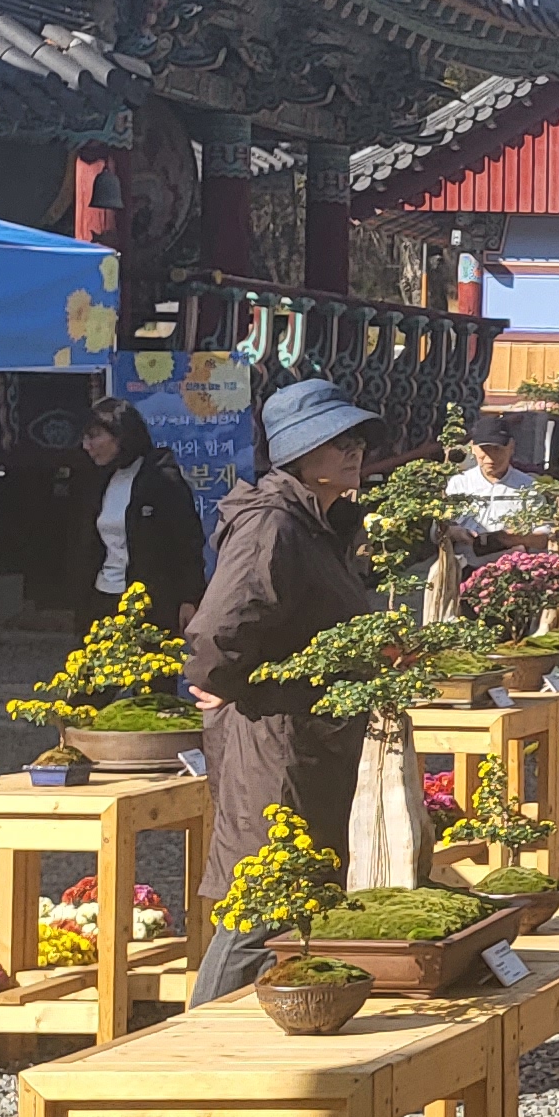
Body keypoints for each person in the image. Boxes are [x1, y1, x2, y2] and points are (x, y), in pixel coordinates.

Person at [183, 379, 387, 1001]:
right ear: (299, 452)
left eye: (355, 439)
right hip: (273, 737)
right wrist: (222, 685)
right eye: (335, 440)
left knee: (301, 894)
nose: (352, 451)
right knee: (264, 901)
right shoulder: (273, 523)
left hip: (309, 733)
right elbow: (218, 630)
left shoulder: (321, 522)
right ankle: (194, 1059)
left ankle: (262, 1052)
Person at [70, 394, 204, 633]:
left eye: (94, 437)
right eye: (85, 438)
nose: (87, 446)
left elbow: (187, 541)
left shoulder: (161, 478)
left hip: (151, 603)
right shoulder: (98, 480)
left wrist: (190, 597)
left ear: (121, 434)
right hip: (103, 598)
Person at [443, 415, 537, 560]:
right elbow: (437, 531)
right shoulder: (459, 483)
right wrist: (455, 532)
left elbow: (544, 537)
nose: (490, 457)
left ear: (511, 447)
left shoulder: (528, 486)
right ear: (473, 448)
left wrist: (514, 538)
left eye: (497, 449)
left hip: (514, 566)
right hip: (464, 564)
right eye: (484, 450)